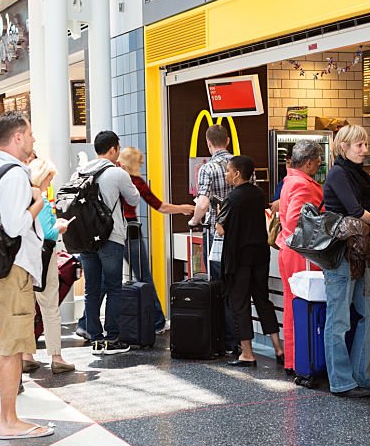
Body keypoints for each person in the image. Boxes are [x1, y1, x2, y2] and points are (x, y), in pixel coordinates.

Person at [0, 111, 53, 439]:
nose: (33, 140)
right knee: (14, 344)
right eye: (30, 134)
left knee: (7, 340)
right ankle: (9, 420)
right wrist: (38, 201)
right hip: (13, 267)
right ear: (17, 137)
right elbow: (15, 225)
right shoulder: (16, 174)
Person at [322, 124, 370, 398]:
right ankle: (341, 382)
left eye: (365, 144)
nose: (364, 150)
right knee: (338, 321)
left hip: (360, 252)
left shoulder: (357, 174)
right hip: (341, 254)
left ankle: (360, 375)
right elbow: (356, 210)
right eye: (359, 145)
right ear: (343, 146)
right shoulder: (338, 173)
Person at [74, 131, 140, 356]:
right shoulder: (117, 173)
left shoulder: (80, 172)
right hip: (110, 237)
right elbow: (134, 199)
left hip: (85, 239)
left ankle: (95, 338)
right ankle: (112, 339)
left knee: (92, 290)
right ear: (113, 149)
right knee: (113, 288)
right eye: (118, 148)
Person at [117, 146, 194, 334]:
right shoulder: (135, 182)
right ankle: (158, 321)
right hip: (131, 232)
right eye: (140, 162)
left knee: (106, 280)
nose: (142, 165)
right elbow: (160, 206)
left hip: (113, 234)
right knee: (144, 277)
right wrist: (183, 208)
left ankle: (88, 323)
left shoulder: (113, 179)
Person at [216, 155, 283, 368]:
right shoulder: (258, 193)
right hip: (260, 255)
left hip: (239, 259)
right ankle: (279, 349)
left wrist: (219, 216)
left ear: (237, 174)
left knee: (240, 303)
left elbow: (221, 228)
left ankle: (247, 353)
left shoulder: (232, 199)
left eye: (228, 170)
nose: (226, 173)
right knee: (263, 300)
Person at [188, 124, 238, 354]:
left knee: (219, 285)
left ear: (209, 144)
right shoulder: (241, 164)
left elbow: (203, 202)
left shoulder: (208, 168)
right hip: (240, 233)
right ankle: (239, 339)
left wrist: (194, 221)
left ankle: (224, 340)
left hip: (217, 235)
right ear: (227, 141)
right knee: (237, 286)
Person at [22, 157, 74, 374]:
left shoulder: (20, 197)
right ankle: (56, 356)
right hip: (43, 258)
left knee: (25, 309)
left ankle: (26, 355)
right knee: (49, 308)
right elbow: (47, 233)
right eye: (49, 179)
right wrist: (61, 226)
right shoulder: (39, 199)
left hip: (23, 260)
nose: (50, 184)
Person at [277, 140, 324, 374]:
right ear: (308, 162)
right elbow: (296, 220)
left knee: (291, 305)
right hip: (301, 254)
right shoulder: (303, 185)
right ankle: (303, 360)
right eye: (317, 160)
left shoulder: (291, 181)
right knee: (303, 306)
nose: (319, 164)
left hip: (289, 250)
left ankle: (294, 360)